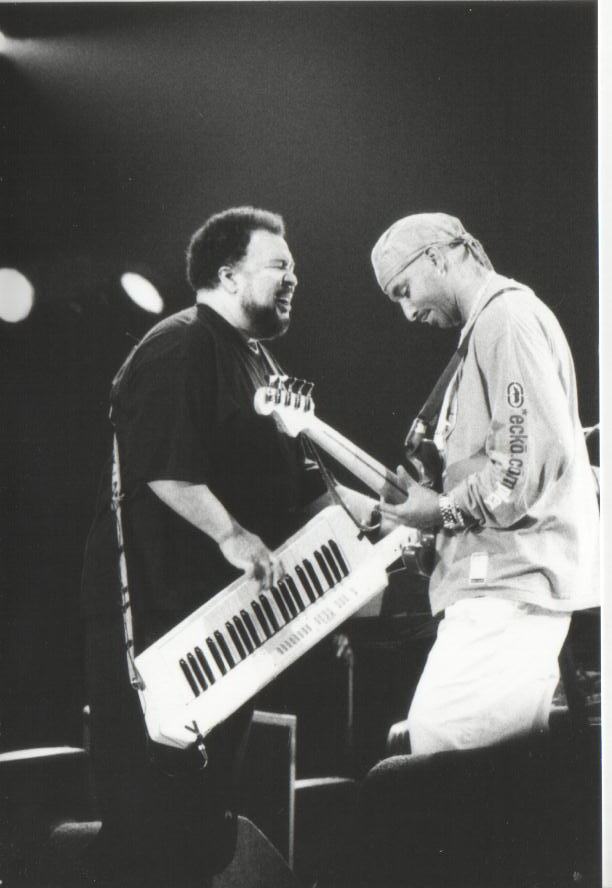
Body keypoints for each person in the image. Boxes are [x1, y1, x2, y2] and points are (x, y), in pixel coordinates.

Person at [80, 206, 371, 886]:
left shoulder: (259, 361)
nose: (294, 278)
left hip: (227, 632)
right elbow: (163, 466)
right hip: (162, 627)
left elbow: (307, 488)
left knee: (201, 824)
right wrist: (231, 534)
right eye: (279, 265)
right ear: (228, 274)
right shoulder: (180, 342)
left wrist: (391, 516)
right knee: (151, 825)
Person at [370, 212, 599, 756]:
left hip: (507, 593)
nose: (407, 312)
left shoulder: (506, 320)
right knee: (475, 774)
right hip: (501, 591)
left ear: (438, 257)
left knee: (441, 762)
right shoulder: (489, 329)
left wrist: (440, 511)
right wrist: (431, 511)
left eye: (405, 290)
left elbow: (520, 470)